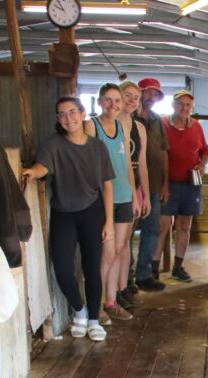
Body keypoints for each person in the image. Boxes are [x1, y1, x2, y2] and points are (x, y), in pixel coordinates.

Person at [22, 97, 114, 342]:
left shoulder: (97, 147)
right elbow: (43, 167)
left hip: (92, 211)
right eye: (62, 114)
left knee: (91, 268)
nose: (68, 118)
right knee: (61, 268)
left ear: (83, 113)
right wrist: (32, 172)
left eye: (72, 112)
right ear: (58, 119)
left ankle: (94, 318)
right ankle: (79, 310)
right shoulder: (53, 144)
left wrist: (109, 222)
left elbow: (107, 185)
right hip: (64, 212)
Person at [84, 83, 139, 323]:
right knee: (106, 253)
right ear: (99, 102)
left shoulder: (121, 126)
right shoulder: (91, 126)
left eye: (117, 100)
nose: (113, 105)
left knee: (118, 250)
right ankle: (95, 305)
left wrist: (135, 195)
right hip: (103, 198)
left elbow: (127, 162)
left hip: (124, 195)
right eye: (108, 100)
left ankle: (111, 302)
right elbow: (87, 162)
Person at [156, 89, 208, 283]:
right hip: (167, 182)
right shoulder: (162, 124)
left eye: (188, 105)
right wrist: (163, 183)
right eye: (180, 104)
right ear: (173, 105)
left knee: (185, 225)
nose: (184, 108)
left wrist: (202, 164)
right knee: (162, 225)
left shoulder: (196, 126)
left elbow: (205, 150)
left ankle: (178, 267)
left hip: (190, 183)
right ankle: (154, 267)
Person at [116, 80, 150, 310]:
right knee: (116, 243)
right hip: (116, 188)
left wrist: (145, 195)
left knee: (127, 241)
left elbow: (142, 163)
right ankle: (116, 289)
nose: (131, 100)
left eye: (135, 98)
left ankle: (125, 284)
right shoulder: (109, 124)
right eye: (126, 95)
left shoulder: (139, 128)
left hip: (134, 187)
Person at [133, 77, 170, 292]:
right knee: (126, 231)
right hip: (131, 185)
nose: (151, 97)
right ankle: (126, 277)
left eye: (156, 94)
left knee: (152, 229)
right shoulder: (128, 118)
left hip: (154, 185)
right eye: (148, 92)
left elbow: (164, 152)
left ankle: (143, 273)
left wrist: (166, 183)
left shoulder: (158, 120)